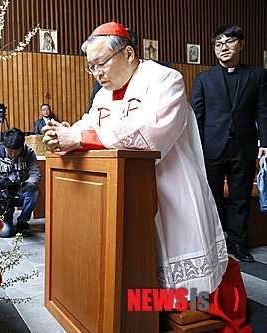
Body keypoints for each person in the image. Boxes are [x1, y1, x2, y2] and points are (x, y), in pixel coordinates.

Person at [43, 22, 251, 332]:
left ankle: (178, 307)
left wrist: (81, 137)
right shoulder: (103, 94)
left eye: (101, 63)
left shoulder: (165, 78)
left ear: (128, 53)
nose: (97, 72)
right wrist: (64, 135)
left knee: (179, 277)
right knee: (138, 265)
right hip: (122, 191)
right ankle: (138, 310)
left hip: (171, 186)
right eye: (91, 67)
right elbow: (87, 127)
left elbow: (151, 132)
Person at [190, 25, 267, 263]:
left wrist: (264, 141)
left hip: (244, 146)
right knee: (210, 196)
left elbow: (263, 111)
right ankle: (215, 241)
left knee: (240, 197)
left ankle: (237, 242)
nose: (223, 48)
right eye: (218, 44)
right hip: (211, 147)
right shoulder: (203, 78)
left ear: (241, 44)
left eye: (229, 42)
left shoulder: (257, 76)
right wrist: (195, 147)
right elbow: (196, 116)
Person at [0, 128, 41, 238]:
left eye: (17, 151)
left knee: (35, 192)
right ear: (4, 145)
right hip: (4, 197)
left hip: (21, 191)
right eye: (9, 151)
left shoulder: (28, 153)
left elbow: (36, 176)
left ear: (22, 146)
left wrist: (23, 188)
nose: (13, 154)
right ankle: (7, 218)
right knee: (5, 233)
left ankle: (22, 221)